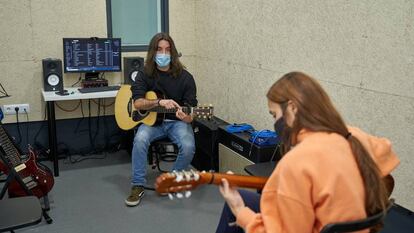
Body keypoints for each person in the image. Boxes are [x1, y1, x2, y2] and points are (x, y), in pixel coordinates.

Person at [216, 71, 399, 233]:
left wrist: (240, 210)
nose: (274, 122)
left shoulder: (298, 161)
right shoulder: (354, 135)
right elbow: (387, 174)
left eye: (274, 114)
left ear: (293, 108)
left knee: (238, 203)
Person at [125, 32, 197, 207]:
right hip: (152, 122)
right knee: (140, 139)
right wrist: (159, 102)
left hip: (176, 123)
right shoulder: (144, 74)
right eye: (159, 49)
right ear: (153, 52)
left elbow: (192, 112)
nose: (163, 54)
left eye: (167, 50)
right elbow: (138, 102)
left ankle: (170, 180)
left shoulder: (186, 78)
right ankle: (137, 185)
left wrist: (186, 117)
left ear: (172, 52)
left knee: (188, 147)